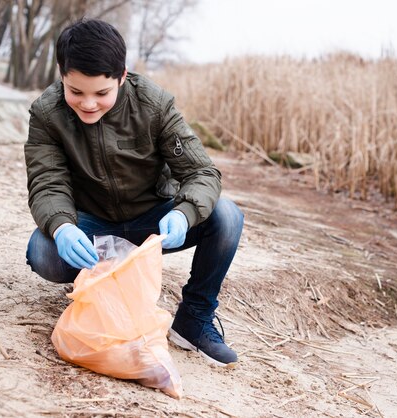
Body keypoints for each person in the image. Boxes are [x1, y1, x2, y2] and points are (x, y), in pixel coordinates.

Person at [24, 18, 244, 368]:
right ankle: (106, 285)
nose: (89, 104)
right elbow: (46, 181)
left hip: (153, 221)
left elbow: (202, 173)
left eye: (102, 93)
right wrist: (63, 227)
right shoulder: (47, 113)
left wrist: (182, 213)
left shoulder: (154, 104)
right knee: (43, 252)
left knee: (227, 215)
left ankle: (194, 319)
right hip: (91, 225)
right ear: (62, 74)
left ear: (122, 76)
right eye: (76, 92)